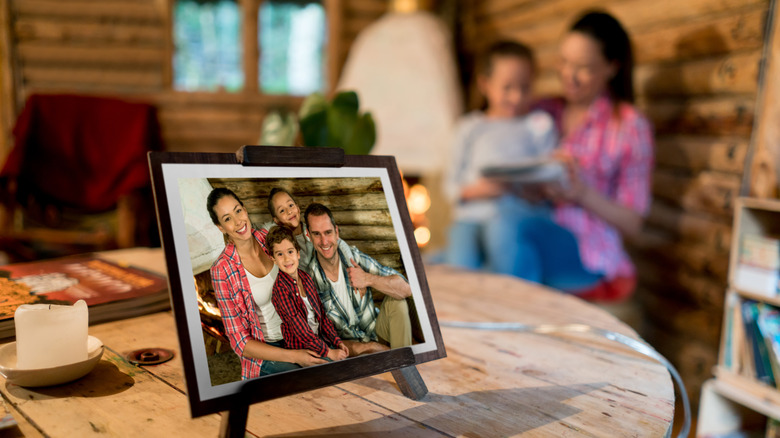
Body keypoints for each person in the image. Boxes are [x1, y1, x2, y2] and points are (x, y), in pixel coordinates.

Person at [492, 10, 654, 301]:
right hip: (533, 224)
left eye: (584, 68)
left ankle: (513, 320)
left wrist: (580, 193)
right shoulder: (542, 111)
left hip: (586, 252)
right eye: (564, 62)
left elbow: (634, 223)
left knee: (507, 226)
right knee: (457, 248)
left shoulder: (629, 126)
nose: (569, 75)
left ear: (612, 68)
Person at [443, 40, 558, 272]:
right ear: (485, 84)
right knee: (460, 264)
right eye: (507, 88)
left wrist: (536, 190)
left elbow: (550, 175)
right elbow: (450, 186)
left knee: (507, 248)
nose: (516, 97)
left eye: (525, 87)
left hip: (520, 216)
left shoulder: (538, 125)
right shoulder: (469, 127)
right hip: (471, 218)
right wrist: (479, 190)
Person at [207, 187, 326, 380]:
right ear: (220, 227)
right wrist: (295, 356)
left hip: (299, 334)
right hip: (267, 352)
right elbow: (240, 343)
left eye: (238, 211)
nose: (238, 222)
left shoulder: (268, 237)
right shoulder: (222, 270)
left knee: (333, 368)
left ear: (245, 209)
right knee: (308, 378)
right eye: (227, 218)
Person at [304, 202, 413, 356]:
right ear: (308, 235)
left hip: (376, 332)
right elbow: (321, 340)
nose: (324, 241)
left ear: (336, 232)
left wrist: (368, 279)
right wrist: (369, 348)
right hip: (351, 350)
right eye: (316, 234)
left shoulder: (354, 258)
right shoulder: (309, 280)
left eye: (328, 232)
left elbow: (407, 288)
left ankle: (405, 366)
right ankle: (395, 360)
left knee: (398, 301)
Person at [267, 225, 349, 362]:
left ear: (298, 253)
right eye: (280, 254)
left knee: (345, 359)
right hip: (301, 349)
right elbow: (301, 332)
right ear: (273, 259)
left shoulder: (305, 278)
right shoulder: (280, 291)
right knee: (336, 368)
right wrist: (329, 352)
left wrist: (337, 341)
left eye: (290, 252)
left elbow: (321, 314)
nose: (287, 259)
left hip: (319, 340)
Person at [262, 187, 315, 267]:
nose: (289, 211)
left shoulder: (311, 231)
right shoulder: (274, 233)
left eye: (290, 205)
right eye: (282, 210)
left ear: (298, 208)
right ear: (276, 220)